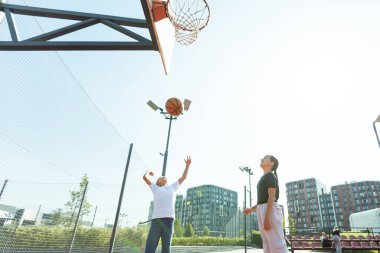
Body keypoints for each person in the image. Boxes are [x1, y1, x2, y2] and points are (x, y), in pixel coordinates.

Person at [142, 156, 192, 253]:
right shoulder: (155, 188)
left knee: (166, 249)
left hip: (169, 220)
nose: (164, 177)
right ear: (157, 182)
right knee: (150, 248)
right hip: (157, 220)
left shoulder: (173, 187)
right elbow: (144, 177)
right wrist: (148, 172)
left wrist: (187, 166)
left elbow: (184, 177)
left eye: (164, 177)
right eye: (161, 177)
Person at [243, 155, 287, 253]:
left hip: (270, 210)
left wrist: (267, 218)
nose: (261, 159)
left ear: (271, 163)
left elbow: (271, 197)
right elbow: (262, 201)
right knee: (266, 242)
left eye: (265, 157)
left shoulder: (271, 176)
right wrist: (251, 209)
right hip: (263, 209)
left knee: (276, 244)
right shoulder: (263, 178)